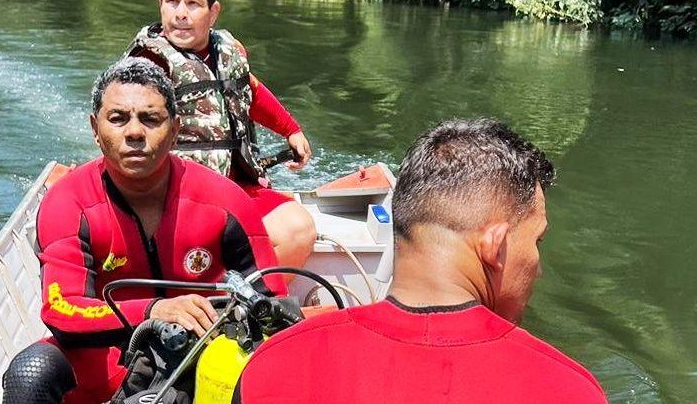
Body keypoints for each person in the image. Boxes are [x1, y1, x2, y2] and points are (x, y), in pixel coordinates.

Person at [236, 118, 608, 403]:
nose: (539, 267)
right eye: (537, 240)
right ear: (496, 247)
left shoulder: (272, 367)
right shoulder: (568, 389)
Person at [1, 57, 286, 404]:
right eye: (118, 118)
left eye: (150, 119)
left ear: (176, 129)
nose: (134, 132)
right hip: (105, 360)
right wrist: (151, 311)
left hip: (205, 355)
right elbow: (61, 312)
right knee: (30, 372)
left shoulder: (226, 200)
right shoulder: (68, 202)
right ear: (95, 128)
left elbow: (273, 302)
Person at [123, 0, 315, 269]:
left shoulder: (229, 50)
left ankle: (239, 307)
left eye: (193, 4)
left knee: (298, 228)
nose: (181, 13)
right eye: (172, 1)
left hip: (235, 187)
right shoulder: (148, 64)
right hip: (174, 196)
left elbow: (249, 90)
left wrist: (290, 129)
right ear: (160, 5)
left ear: (213, 12)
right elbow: (123, 131)